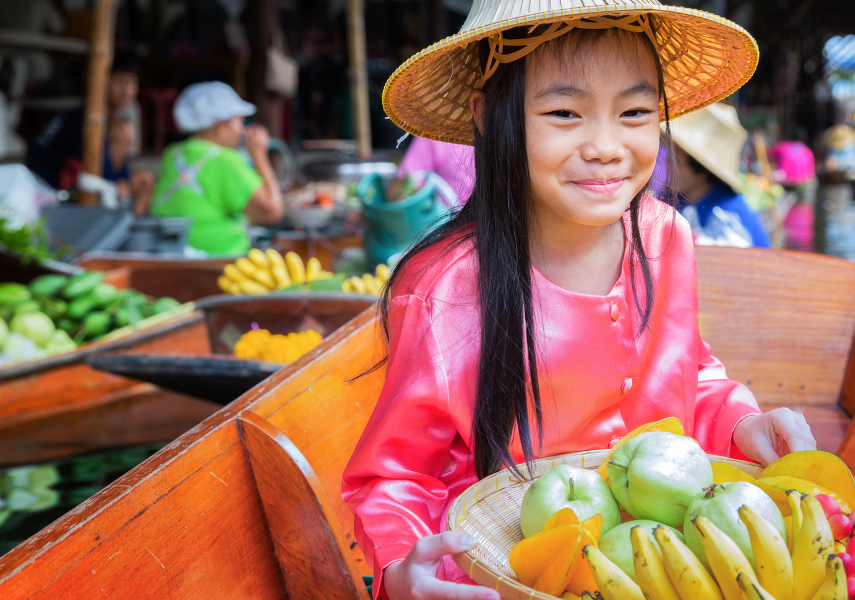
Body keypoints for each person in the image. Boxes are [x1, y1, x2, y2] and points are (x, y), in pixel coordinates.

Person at [340, 3, 817, 600]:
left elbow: (692, 374)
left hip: (660, 560)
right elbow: (396, 476)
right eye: (565, 113)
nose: (606, 147)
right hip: (504, 570)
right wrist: (402, 570)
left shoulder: (665, 236)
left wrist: (744, 423)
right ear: (489, 116)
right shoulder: (444, 285)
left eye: (634, 112)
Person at [150, 82, 283, 256]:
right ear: (220, 128)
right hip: (221, 259)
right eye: (239, 122)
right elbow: (272, 212)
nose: (242, 131)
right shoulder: (225, 160)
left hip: (172, 254)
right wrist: (260, 156)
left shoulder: (172, 153)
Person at [27, 52, 141, 189]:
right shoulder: (86, 118)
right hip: (48, 186)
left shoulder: (109, 118)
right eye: (119, 81)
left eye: (132, 82)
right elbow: (96, 162)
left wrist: (123, 180)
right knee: (122, 131)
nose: (127, 90)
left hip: (80, 179)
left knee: (144, 180)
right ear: (103, 81)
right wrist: (114, 184)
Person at [669, 104, 770, 248]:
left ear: (701, 168)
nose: (667, 165)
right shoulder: (673, 199)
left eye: (676, 161)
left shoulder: (729, 214)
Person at [396, 136, 475, 207]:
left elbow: (399, 190)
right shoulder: (434, 137)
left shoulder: (434, 136)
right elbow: (404, 183)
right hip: (441, 212)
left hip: (445, 214)